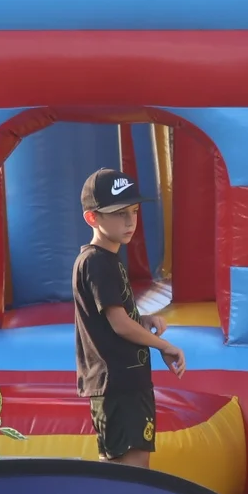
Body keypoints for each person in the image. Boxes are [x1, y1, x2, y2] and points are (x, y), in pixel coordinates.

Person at [72, 168, 186, 469]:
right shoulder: (97, 262)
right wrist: (163, 346)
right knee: (131, 476)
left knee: (130, 474)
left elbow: (118, 313)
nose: (130, 221)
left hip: (126, 384)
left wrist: (143, 317)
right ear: (92, 218)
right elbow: (119, 324)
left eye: (133, 212)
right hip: (117, 386)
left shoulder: (106, 259)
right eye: (119, 213)